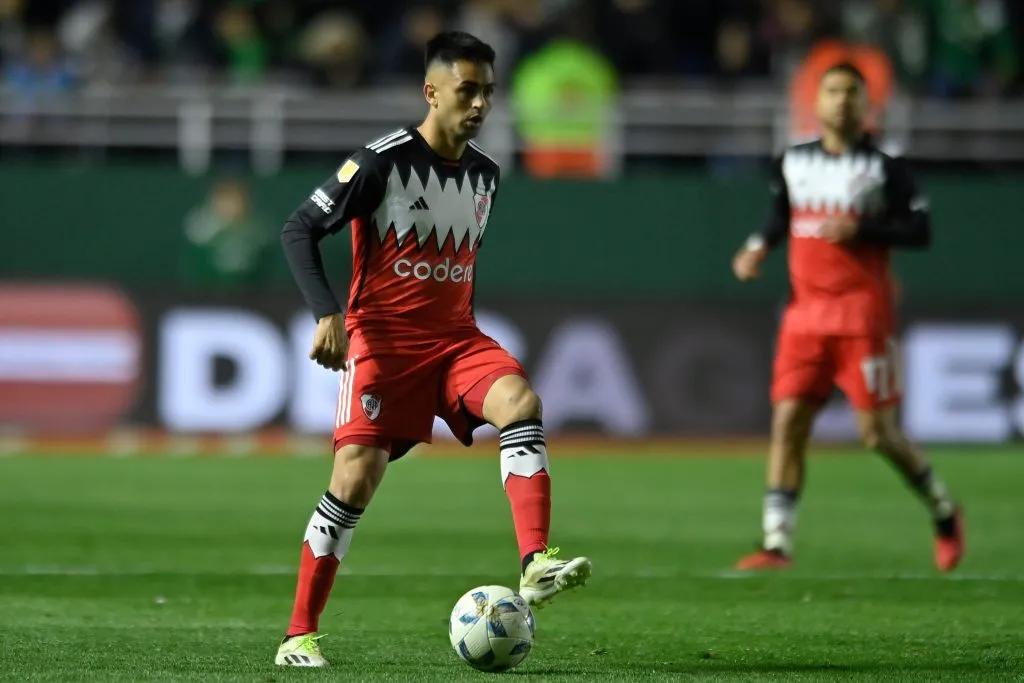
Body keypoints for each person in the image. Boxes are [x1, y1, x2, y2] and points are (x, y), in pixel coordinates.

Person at [274, 31, 591, 668]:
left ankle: (535, 563)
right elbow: (300, 228)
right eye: (467, 90)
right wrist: (327, 314)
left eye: (488, 93)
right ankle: (298, 635)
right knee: (355, 480)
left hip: (455, 342)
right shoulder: (380, 162)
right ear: (432, 90)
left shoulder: (486, 176)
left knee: (520, 401)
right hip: (384, 344)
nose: (479, 104)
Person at [730, 62, 964, 572]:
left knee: (877, 434)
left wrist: (864, 231)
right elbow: (780, 215)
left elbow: (921, 230)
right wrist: (755, 249)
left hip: (863, 314)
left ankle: (944, 512)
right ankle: (777, 544)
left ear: (866, 105)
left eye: (852, 93)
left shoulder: (887, 167)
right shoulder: (793, 161)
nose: (841, 101)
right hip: (805, 315)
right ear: (817, 102)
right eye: (833, 91)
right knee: (788, 420)